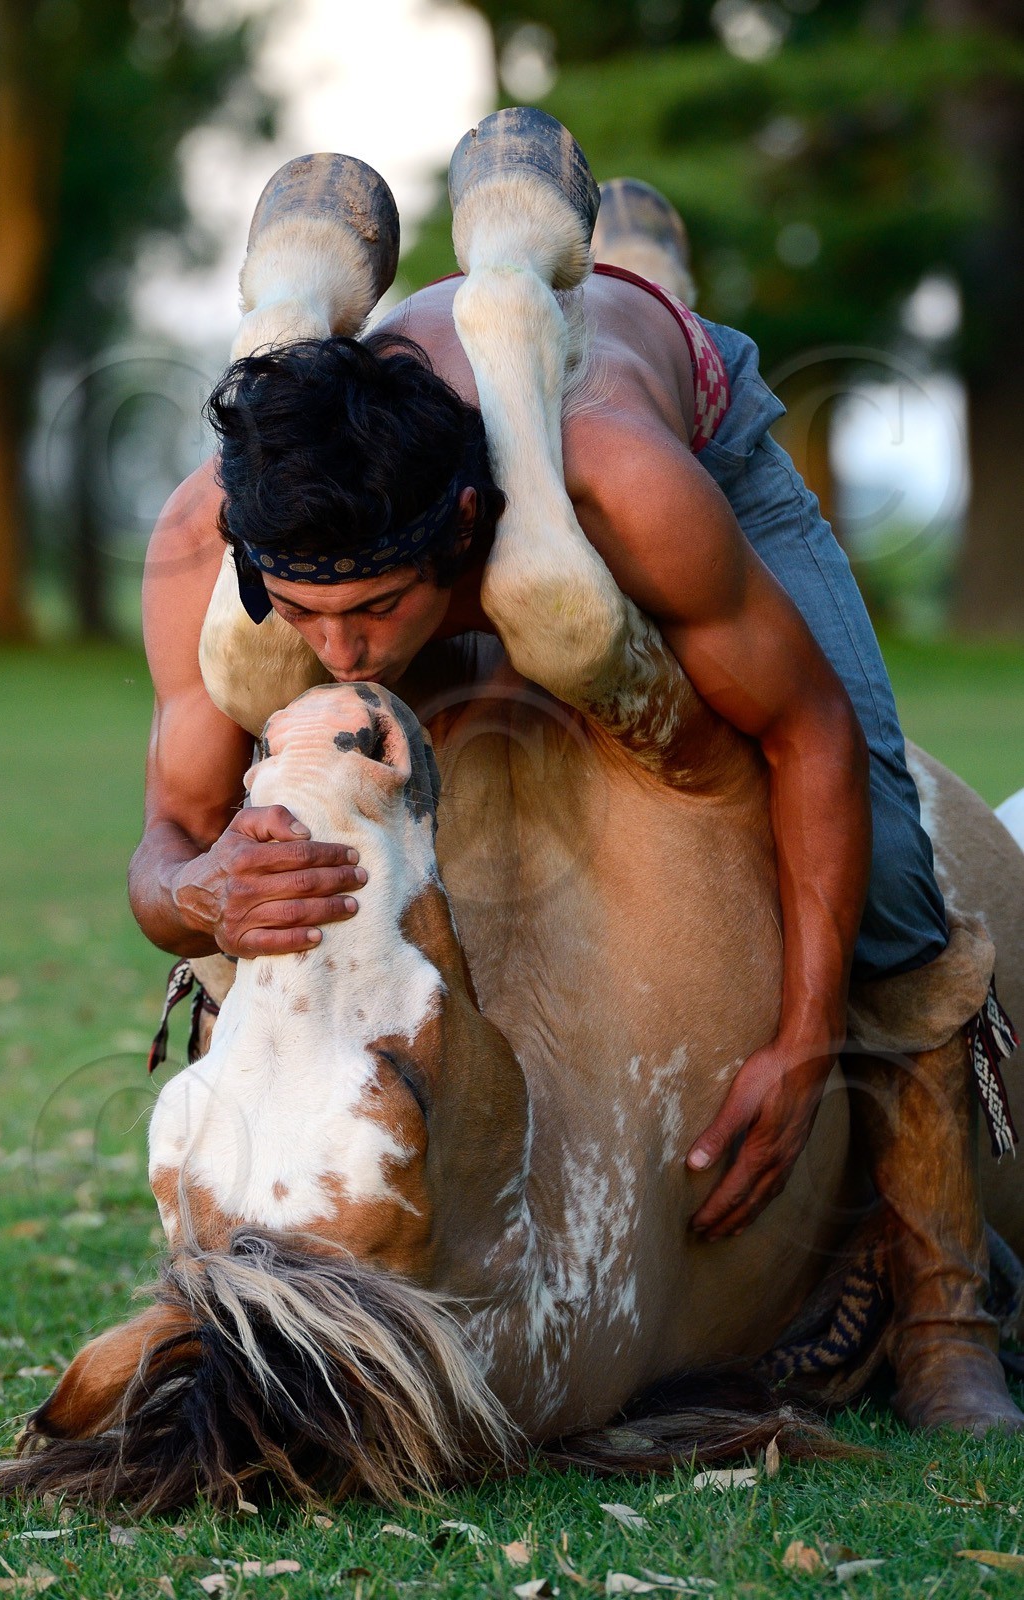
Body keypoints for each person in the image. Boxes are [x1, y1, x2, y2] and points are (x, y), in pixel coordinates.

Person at [130, 149, 1020, 1435]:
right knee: (265, 843)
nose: (344, 654)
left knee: (883, 857)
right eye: (305, 612)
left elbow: (808, 732)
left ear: (460, 533)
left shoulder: (626, 486)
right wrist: (203, 889)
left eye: (376, 613)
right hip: (437, 483)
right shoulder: (206, 542)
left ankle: (946, 1316)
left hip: (659, 422)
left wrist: (804, 1033)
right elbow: (163, 841)